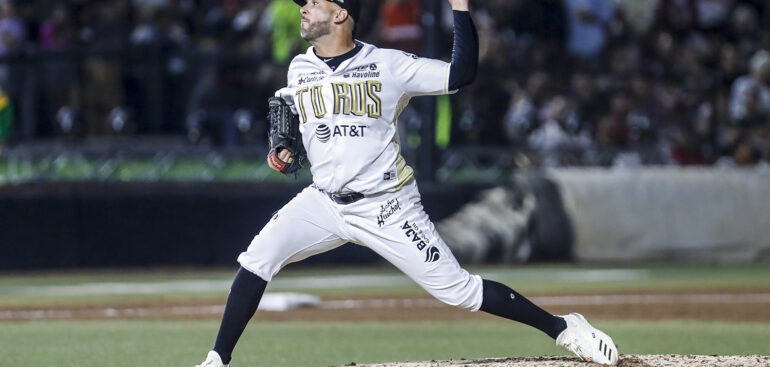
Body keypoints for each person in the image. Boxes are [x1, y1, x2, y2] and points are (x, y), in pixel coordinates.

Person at [194, 1, 619, 366]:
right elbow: (291, 114)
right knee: (256, 260)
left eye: (315, 2)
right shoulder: (299, 67)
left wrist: (460, 10)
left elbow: (460, 75)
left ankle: (564, 328)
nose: (304, 8)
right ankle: (217, 360)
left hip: (387, 205)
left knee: (460, 292)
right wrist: (281, 146)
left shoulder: (388, 65)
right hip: (324, 202)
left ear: (341, 13)